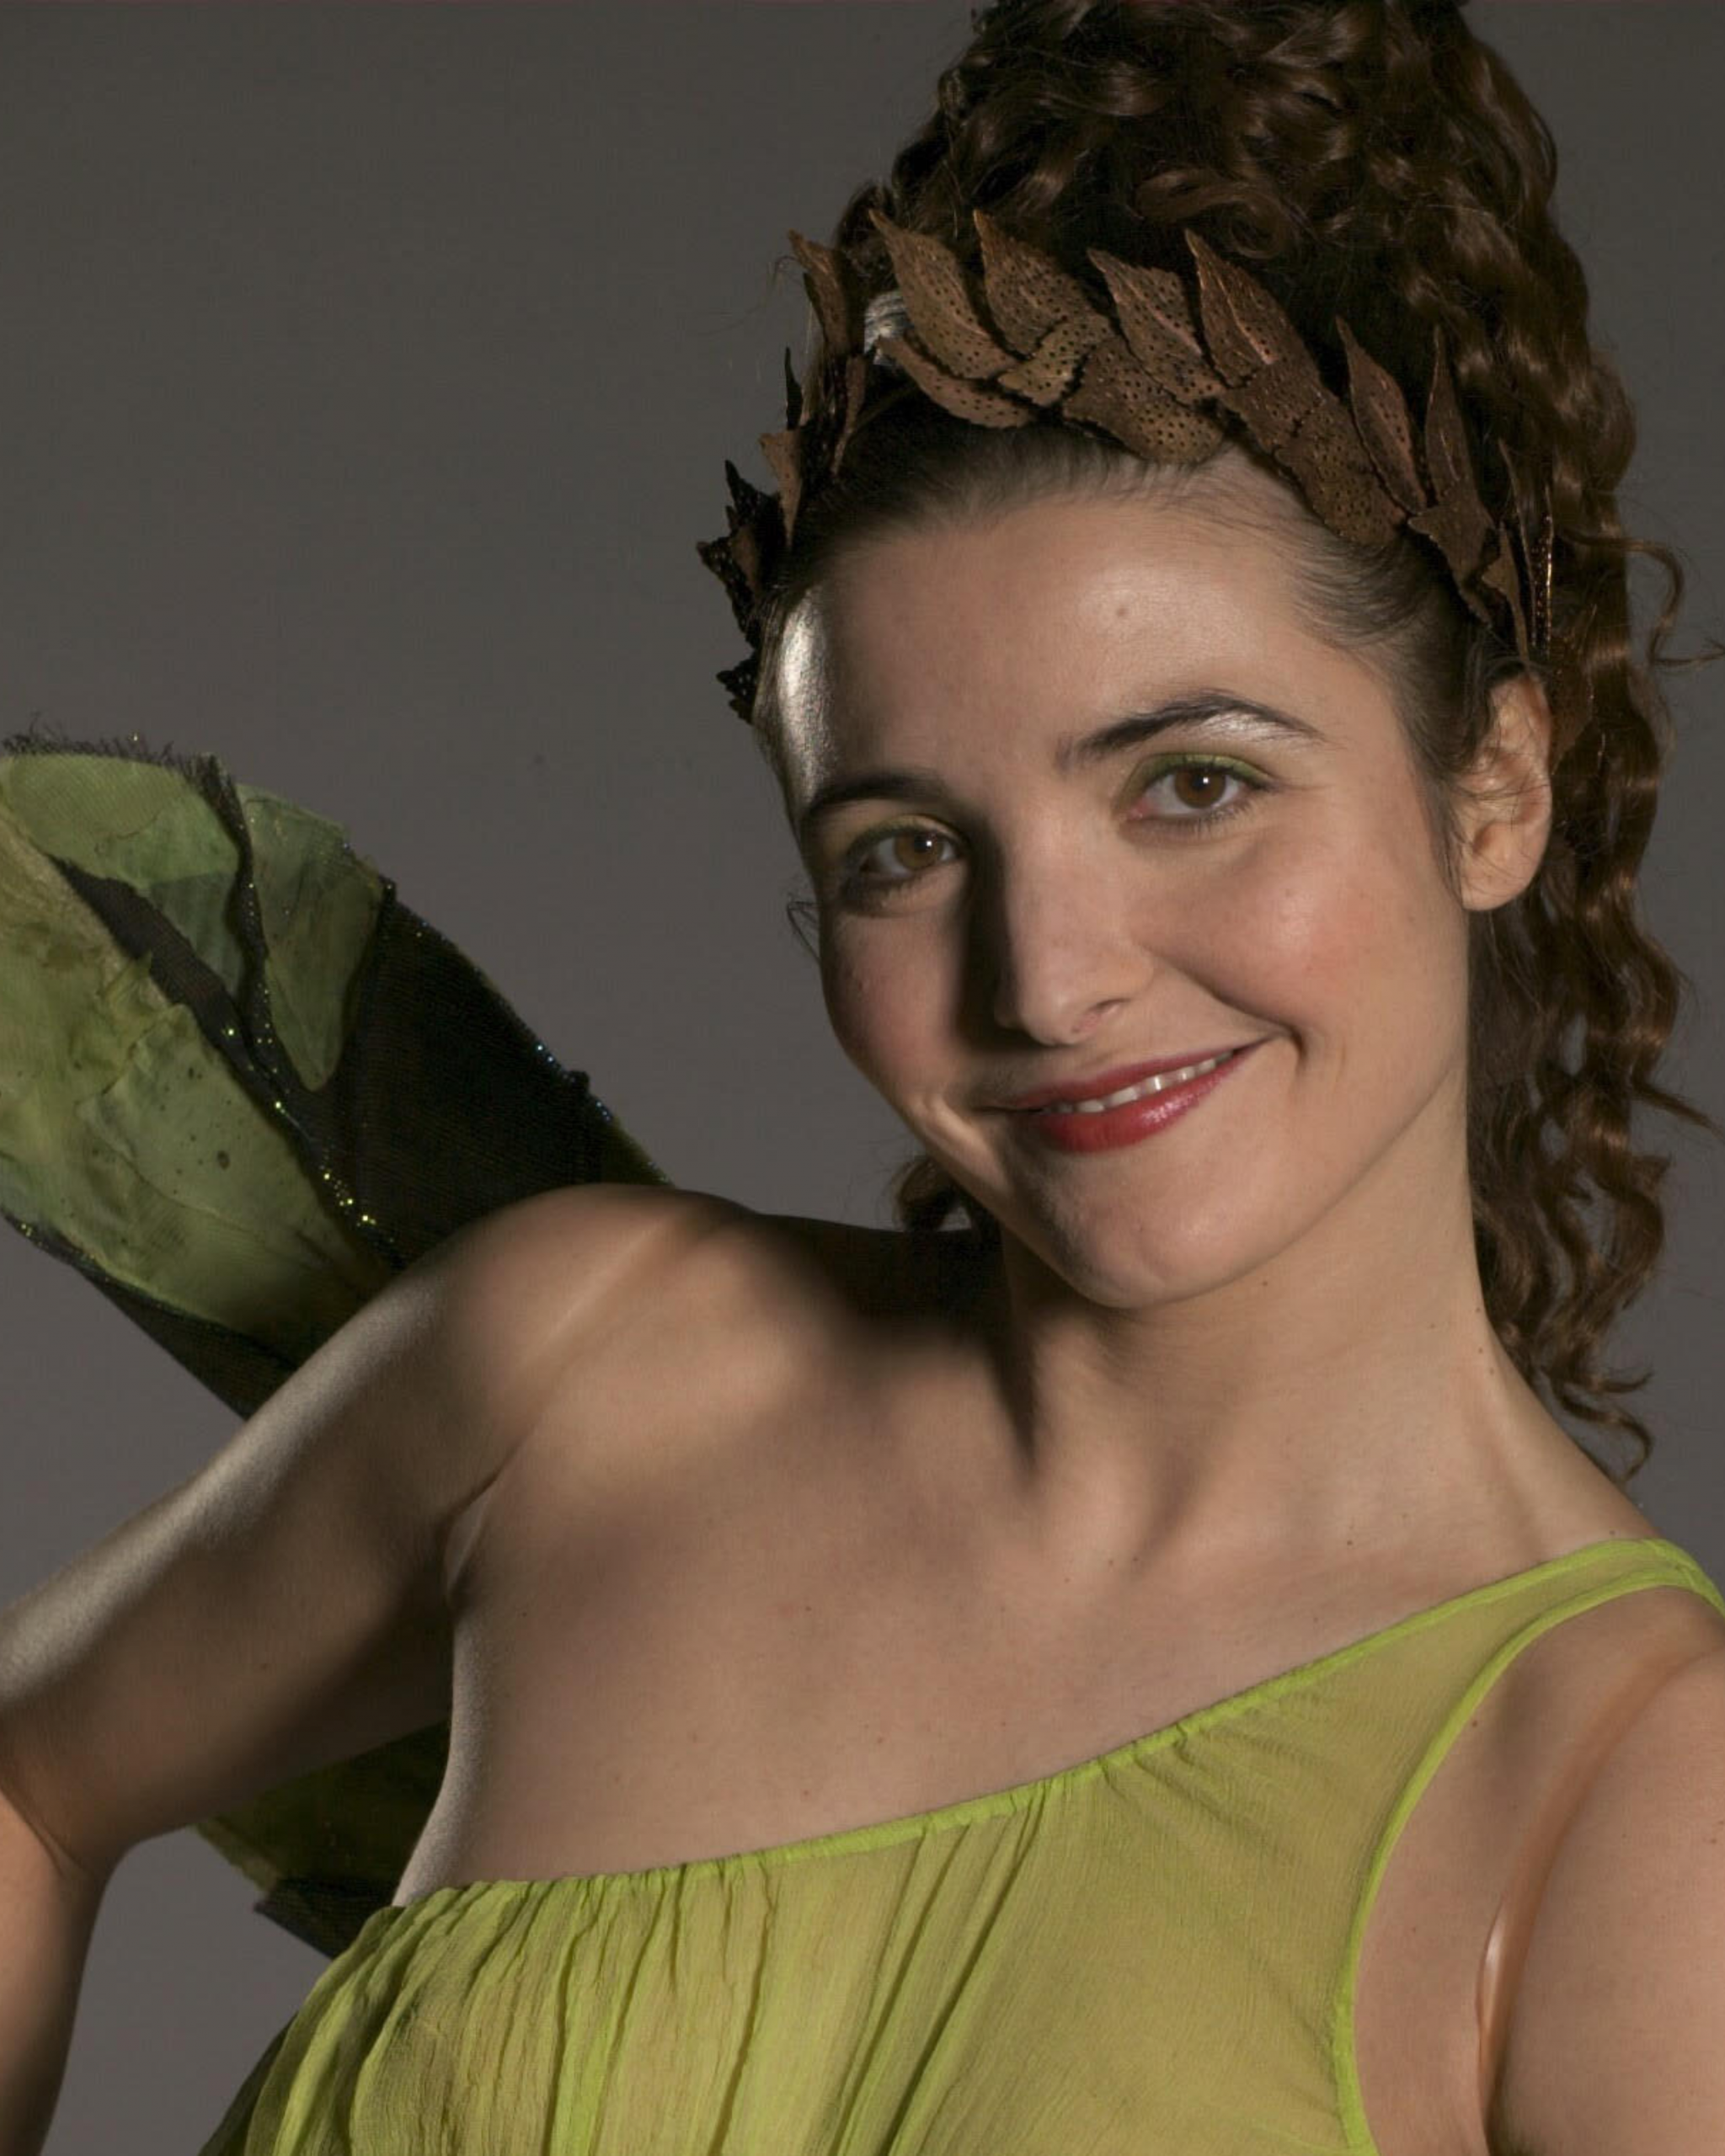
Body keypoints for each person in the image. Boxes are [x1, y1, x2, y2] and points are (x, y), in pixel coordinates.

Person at [2, 2, 1723, 2152]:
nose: (1051, 980)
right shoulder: (584, 1379)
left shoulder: (1629, 1805)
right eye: (902, 849)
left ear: (1492, 788)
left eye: (1192, 783)